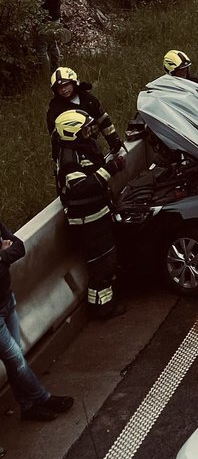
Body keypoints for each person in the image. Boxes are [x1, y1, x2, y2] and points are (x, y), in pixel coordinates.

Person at [1, 218, 74, 421]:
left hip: (7, 301)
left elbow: (19, 247)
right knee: (16, 360)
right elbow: (8, 254)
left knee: (16, 361)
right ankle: (43, 398)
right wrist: (3, 255)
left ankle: (27, 407)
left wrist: (2, 256)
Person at [54, 109, 124, 320]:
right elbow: (81, 187)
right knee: (101, 266)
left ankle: (101, 304)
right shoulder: (69, 159)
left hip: (97, 215)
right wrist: (109, 169)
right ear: (71, 133)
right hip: (87, 223)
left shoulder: (83, 148)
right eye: (85, 129)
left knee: (105, 263)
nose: (90, 132)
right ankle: (103, 308)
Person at [46, 66, 124, 164]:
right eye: (60, 88)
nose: (64, 90)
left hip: (92, 146)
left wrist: (114, 140)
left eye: (66, 85)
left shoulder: (88, 99)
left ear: (74, 82)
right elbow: (55, 138)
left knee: (99, 168)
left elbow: (103, 120)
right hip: (72, 153)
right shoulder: (55, 109)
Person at [35, 0, 62, 71]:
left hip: (48, 22)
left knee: (42, 48)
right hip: (55, 20)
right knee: (53, 45)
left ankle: (45, 76)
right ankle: (56, 69)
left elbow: (43, 7)